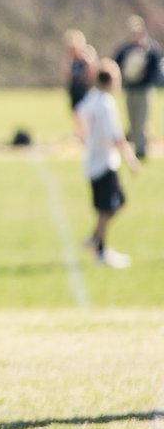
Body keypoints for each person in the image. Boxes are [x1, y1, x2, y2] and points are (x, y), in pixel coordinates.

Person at [77, 60, 139, 268]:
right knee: (106, 209)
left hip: (93, 161)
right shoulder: (106, 103)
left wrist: (85, 138)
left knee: (116, 203)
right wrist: (131, 159)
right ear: (111, 80)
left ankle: (94, 238)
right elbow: (117, 137)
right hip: (104, 163)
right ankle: (100, 251)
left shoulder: (93, 98)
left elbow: (79, 114)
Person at [112, 16, 160, 160]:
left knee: (142, 119)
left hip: (143, 89)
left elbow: (155, 67)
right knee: (132, 120)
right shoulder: (125, 50)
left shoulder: (150, 49)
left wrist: (144, 77)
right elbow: (116, 64)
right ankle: (136, 146)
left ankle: (141, 149)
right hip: (130, 88)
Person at [63, 29, 96, 115]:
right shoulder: (72, 60)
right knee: (75, 112)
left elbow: (91, 74)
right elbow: (67, 74)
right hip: (74, 88)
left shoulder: (86, 58)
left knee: (84, 111)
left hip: (83, 89)